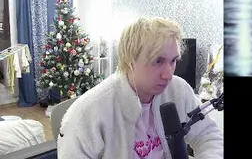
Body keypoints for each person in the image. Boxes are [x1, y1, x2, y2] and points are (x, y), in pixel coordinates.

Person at [58, 16, 224, 158]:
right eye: (158, 61)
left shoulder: (179, 90)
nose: (168, 74)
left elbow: (208, 136)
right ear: (130, 60)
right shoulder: (88, 112)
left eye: (173, 61)